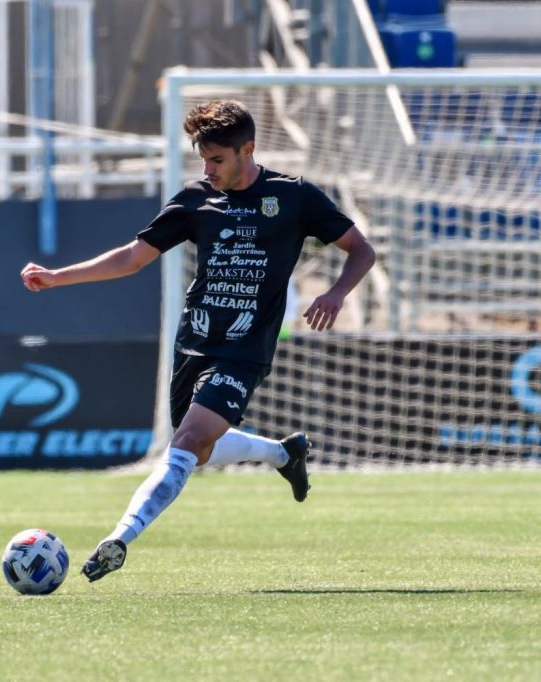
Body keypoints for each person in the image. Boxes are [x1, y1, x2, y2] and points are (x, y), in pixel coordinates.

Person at [19, 100, 376, 582]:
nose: (208, 170)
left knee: (186, 443)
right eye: (202, 159)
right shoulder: (194, 199)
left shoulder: (293, 197)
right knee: (199, 450)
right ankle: (283, 454)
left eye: (217, 160)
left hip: (246, 349)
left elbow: (361, 249)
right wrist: (58, 278)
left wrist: (335, 294)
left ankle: (120, 538)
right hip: (194, 343)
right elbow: (131, 258)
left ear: (247, 149)